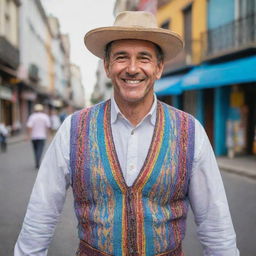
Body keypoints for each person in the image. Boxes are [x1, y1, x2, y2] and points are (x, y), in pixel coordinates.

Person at [15, 11, 239, 256]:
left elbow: (215, 224)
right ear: (107, 67)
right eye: (121, 58)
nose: (132, 68)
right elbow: (41, 213)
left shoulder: (190, 130)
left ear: (158, 67)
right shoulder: (74, 127)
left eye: (144, 58)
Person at [26, 104, 51, 169]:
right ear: (42, 110)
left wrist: (28, 135)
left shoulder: (32, 116)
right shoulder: (45, 116)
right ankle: (38, 161)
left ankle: (37, 161)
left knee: (35, 150)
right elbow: (48, 126)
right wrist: (48, 135)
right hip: (42, 136)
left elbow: (29, 127)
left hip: (34, 137)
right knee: (40, 150)